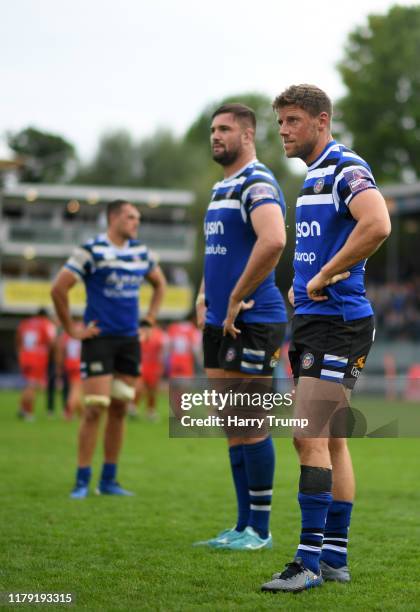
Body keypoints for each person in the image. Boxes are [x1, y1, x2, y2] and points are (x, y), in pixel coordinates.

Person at [261, 84, 391, 593]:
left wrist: (325, 275)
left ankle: (308, 563)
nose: (284, 131)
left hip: (339, 322)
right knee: (332, 439)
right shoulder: (314, 177)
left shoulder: (345, 166)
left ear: (321, 120)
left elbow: (376, 223)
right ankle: (333, 557)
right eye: (280, 123)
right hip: (318, 322)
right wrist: (302, 284)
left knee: (306, 435)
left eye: (292, 121)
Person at [194, 103, 287, 550]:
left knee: (250, 421)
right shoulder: (220, 187)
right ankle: (241, 525)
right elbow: (219, 251)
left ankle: (262, 531)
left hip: (253, 318)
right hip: (218, 320)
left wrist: (234, 298)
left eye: (225, 129)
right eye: (213, 129)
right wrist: (202, 292)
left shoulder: (257, 182)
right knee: (230, 422)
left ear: (247, 135)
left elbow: (273, 239)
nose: (216, 135)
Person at [51, 199, 166, 498]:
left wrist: (150, 320)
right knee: (94, 408)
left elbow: (160, 284)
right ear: (113, 218)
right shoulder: (90, 251)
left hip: (129, 341)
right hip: (99, 340)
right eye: (130, 217)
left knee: (119, 408)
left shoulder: (142, 254)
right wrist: (72, 329)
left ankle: (109, 481)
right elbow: (58, 288)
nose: (135, 223)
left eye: (137, 218)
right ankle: (81, 480)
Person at [16, 308, 56, 420]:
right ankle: (28, 412)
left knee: (28, 383)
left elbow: (18, 338)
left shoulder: (25, 323)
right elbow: (52, 341)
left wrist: (20, 352)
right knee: (33, 385)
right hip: (37, 357)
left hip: (24, 355)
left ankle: (22, 408)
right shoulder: (46, 324)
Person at [131, 324, 167, 420]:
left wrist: (161, 366)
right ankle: (133, 408)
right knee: (138, 387)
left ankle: (150, 411)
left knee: (152, 391)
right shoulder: (139, 333)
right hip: (142, 365)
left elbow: (163, 350)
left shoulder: (159, 335)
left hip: (154, 366)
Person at [56, 320, 84, 420]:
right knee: (76, 389)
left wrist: (59, 366)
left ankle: (82, 414)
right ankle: (68, 412)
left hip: (69, 362)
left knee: (76, 389)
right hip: (79, 363)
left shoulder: (68, 333)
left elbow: (60, 348)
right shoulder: (84, 331)